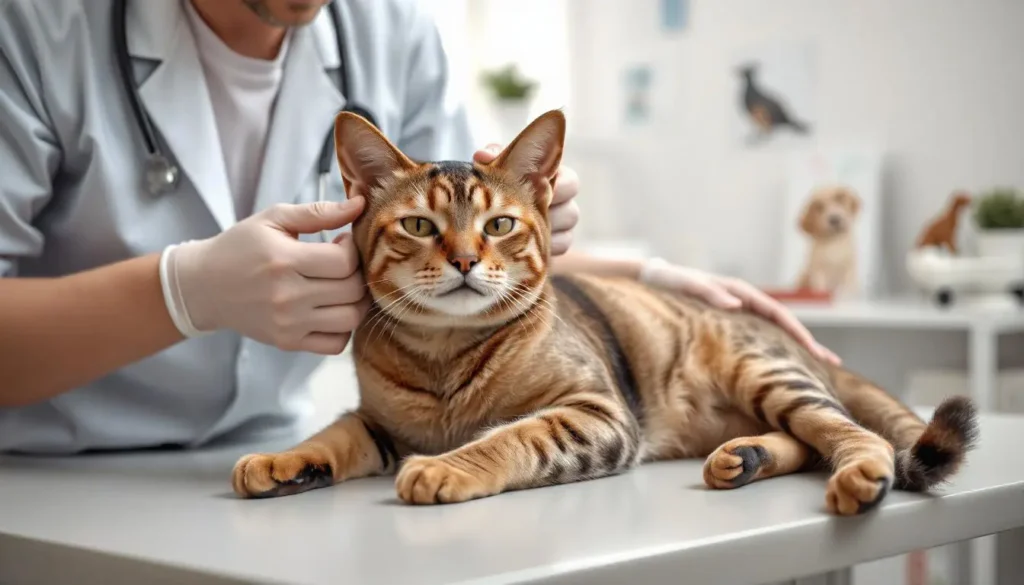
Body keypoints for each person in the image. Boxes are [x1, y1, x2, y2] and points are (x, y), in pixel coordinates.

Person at [0, 0, 838, 454]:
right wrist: (181, 293)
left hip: (262, 465)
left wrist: (643, 280)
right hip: (48, 479)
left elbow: (453, 247)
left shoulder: (388, 29)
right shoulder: (34, 30)